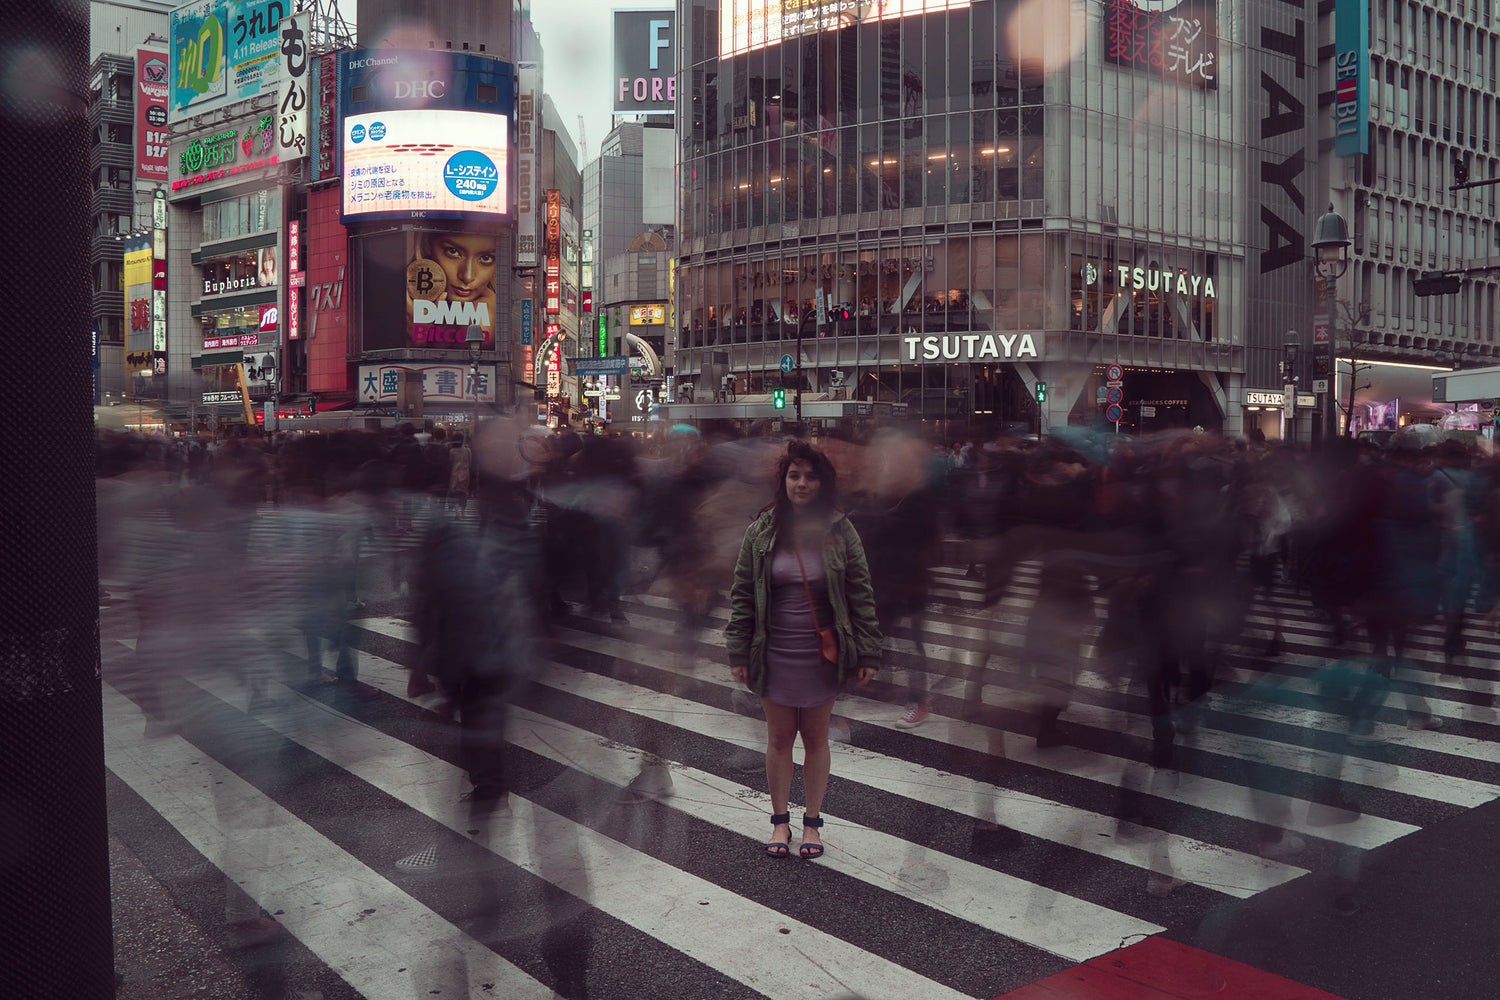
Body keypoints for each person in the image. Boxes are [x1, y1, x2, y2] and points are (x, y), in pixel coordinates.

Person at [726, 440, 881, 859]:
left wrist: (868, 651)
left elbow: (860, 592)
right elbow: (742, 592)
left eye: (810, 476)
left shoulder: (839, 529)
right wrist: (738, 650)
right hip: (773, 650)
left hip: (821, 653)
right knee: (778, 738)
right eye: (794, 475)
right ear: (784, 481)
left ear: (822, 483)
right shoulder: (762, 528)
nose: (801, 483)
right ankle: (780, 821)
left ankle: (812, 822)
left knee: (815, 738)